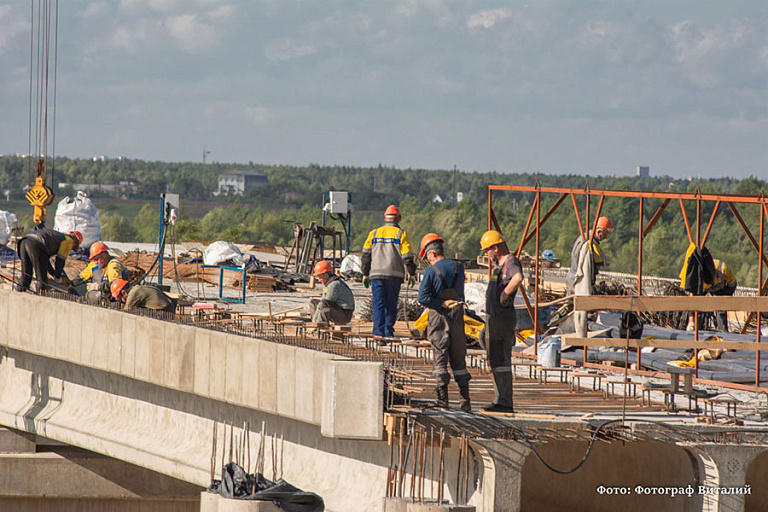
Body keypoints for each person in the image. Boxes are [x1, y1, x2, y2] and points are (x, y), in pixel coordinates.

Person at [417, 233, 471, 412]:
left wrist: (440, 303)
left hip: (439, 317)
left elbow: (423, 298)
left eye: (427, 257)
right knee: (458, 357)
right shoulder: (459, 267)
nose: (428, 261)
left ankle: (443, 400)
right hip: (457, 315)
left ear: (431, 253)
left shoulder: (430, 271)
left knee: (440, 357)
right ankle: (465, 401)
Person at [480, 230, 523, 413]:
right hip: (495, 319)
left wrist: (505, 294)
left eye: (487, 250)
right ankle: (501, 399)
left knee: (500, 360)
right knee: (493, 355)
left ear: (496, 248)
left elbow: (518, 278)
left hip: (501, 318)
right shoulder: (500, 266)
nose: (486, 254)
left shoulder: (510, 262)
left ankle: (504, 402)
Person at [361, 205, 417, 338]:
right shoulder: (401, 234)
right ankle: (388, 332)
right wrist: (412, 273)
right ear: (399, 218)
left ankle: (378, 333)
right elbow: (407, 256)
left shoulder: (374, 233)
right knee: (391, 304)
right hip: (394, 275)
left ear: (385, 217)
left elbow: (365, 255)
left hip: (376, 275)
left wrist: (365, 273)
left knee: (378, 304)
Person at [564, 216, 613, 337]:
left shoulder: (585, 238)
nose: (606, 237)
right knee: (575, 311)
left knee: (571, 309)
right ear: (599, 231)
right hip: (577, 281)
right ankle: (572, 333)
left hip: (573, 278)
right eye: (605, 234)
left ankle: (574, 331)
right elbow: (586, 268)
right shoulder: (588, 243)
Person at [16, 229, 82, 293]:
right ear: (75, 242)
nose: (71, 249)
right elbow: (60, 261)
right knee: (41, 279)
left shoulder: (57, 237)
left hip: (24, 241)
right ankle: (41, 295)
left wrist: (53, 273)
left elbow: (44, 260)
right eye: (73, 247)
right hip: (36, 244)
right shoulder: (68, 240)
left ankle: (19, 291)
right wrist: (58, 276)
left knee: (26, 275)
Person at [309, 260, 355, 325]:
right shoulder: (328, 284)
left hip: (345, 315)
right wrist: (314, 319)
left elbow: (325, 302)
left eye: (320, 277)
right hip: (338, 310)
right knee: (313, 302)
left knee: (324, 306)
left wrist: (315, 320)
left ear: (326, 274)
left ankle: (320, 325)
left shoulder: (334, 285)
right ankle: (315, 323)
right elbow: (322, 302)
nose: (319, 280)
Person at [110, 279, 176, 313]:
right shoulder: (136, 288)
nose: (121, 301)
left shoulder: (133, 293)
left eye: (119, 298)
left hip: (164, 310)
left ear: (124, 293)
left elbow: (126, 312)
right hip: (166, 306)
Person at [708, 259, 737, 332]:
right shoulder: (700, 270)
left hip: (724, 289)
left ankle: (723, 331)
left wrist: (724, 302)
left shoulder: (723, 268)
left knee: (721, 310)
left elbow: (732, 285)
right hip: (707, 289)